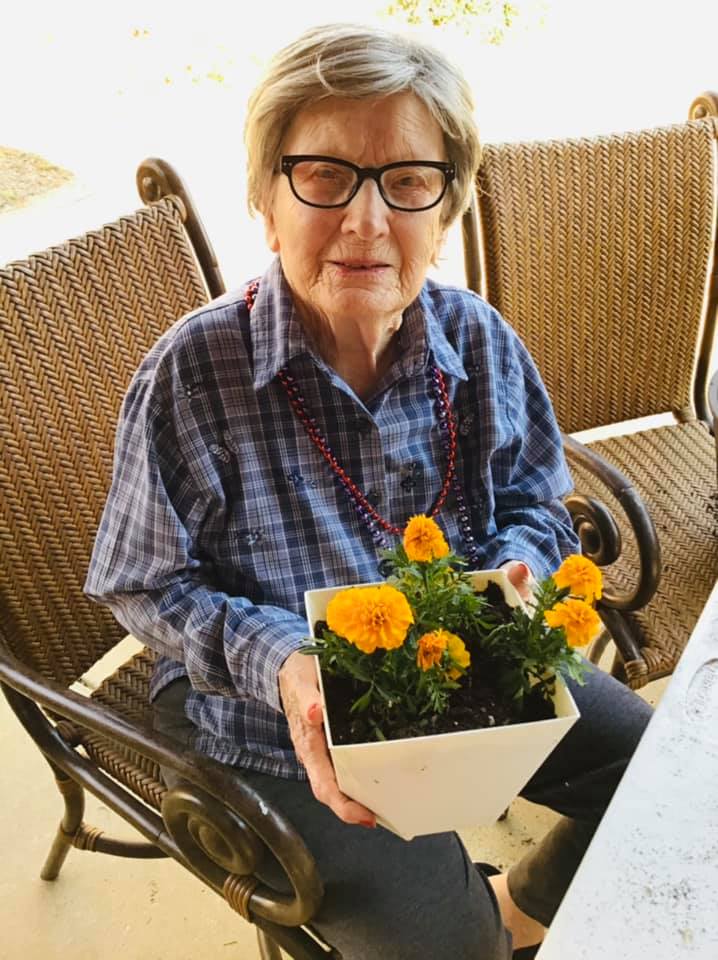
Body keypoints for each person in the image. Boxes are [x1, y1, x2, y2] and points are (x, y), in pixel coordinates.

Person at [85, 23, 651, 960]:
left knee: (664, 776)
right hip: (271, 722)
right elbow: (142, 584)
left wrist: (520, 574)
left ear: (449, 206)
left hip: (461, 668)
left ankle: (520, 906)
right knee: (454, 947)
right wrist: (286, 665)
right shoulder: (193, 373)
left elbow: (537, 500)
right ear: (267, 202)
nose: (366, 219)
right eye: (324, 175)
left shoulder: (475, 337)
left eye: (408, 181)